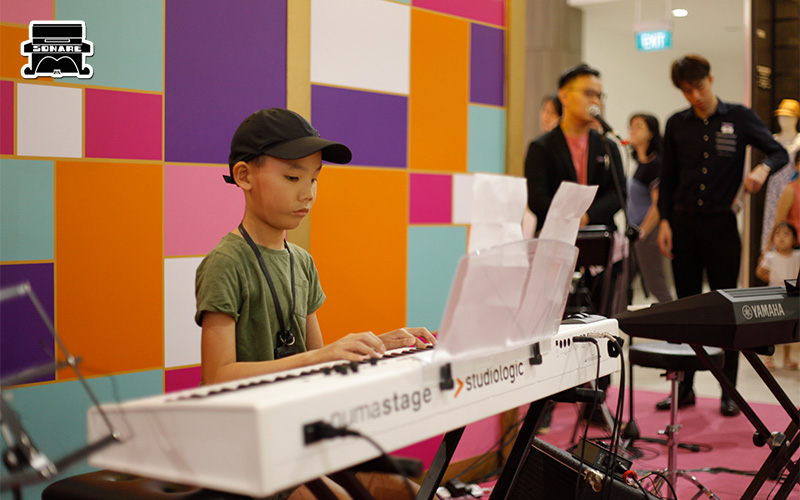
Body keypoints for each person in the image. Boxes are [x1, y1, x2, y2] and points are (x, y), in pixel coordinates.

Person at [196, 108, 436, 500]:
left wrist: (378, 344)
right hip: (241, 444)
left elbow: (317, 361)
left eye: (314, 179)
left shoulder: (302, 262)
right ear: (244, 176)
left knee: (412, 491)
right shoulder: (226, 262)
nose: (307, 192)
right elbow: (219, 376)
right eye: (292, 177)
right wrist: (319, 357)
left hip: (293, 434)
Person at [657, 54, 789, 417]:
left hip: (721, 226)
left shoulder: (739, 117)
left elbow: (778, 152)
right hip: (682, 224)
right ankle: (683, 387)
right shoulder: (675, 124)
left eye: (698, 87)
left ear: (711, 80)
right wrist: (665, 222)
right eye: (687, 91)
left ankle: (728, 389)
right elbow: (667, 179)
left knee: (725, 308)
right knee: (684, 308)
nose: (695, 96)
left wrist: (762, 169)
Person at [525, 63, 626, 234]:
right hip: (554, 236)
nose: (595, 101)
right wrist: (569, 219)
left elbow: (619, 194)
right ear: (564, 96)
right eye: (588, 93)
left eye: (599, 96)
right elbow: (537, 198)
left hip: (599, 234)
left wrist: (588, 217)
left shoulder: (607, 145)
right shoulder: (541, 147)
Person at [625, 113, 674, 304]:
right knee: (622, 283)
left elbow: (658, 203)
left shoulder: (656, 165)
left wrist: (643, 231)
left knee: (656, 285)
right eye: (631, 126)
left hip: (648, 234)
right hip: (637, 234)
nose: (632, 130)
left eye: (639, 126)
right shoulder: (640, 165)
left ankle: (675, 326)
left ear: (651, 133)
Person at [756, 221, 800, 370]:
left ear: (794, 239)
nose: (781, 238)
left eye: (786, 234)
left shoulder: (797, 256)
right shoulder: (770, 256)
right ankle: (768, 357)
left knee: (788, 328)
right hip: (774, 295)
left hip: (791, 296)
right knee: (772, 327)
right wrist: (772, 280)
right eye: (778, 234)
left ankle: (787, 357)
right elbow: (760, 271)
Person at [761, 99, 800, 253]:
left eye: (789, 116)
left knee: (791, 223)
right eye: (781, 116)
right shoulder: (773, 140)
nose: (783, 120)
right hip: (775, 188)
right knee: (773, 222)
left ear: (796, 118)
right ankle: (769, 256)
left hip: (794, 187)